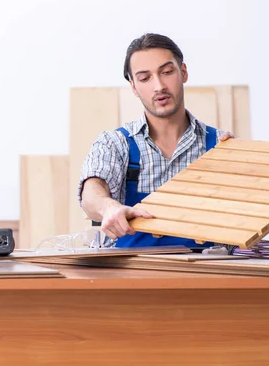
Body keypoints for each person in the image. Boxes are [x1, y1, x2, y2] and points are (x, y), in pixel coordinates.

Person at [77, 33, 233, 249]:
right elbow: (92, 192)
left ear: (184, 72)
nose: (159, 86)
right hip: (134, 276)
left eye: (167, 72)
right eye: (144, 78)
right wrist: (108, 208)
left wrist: (238, 164)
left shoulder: (221, 145)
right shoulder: (115, 144)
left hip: (205, 275)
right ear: (133, 86)